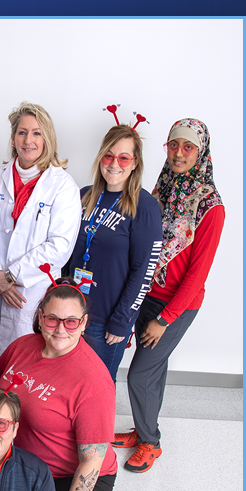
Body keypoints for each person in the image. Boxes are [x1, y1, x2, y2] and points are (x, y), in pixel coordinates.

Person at [117, 119, 226, 474]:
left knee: (139, 375)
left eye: (188, 147)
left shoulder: (211, 206)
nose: (179, 153)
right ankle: (143, 429)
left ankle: (151, 442)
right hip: (149, 292)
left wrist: (165, 320)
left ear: (202, 152)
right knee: (154, 369)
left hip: (178, 304)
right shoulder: (163, 186)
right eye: (173, 145)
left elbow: (198, 273)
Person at [0, 279, 117, 491]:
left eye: (71, 322)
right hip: (20, 462)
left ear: (84, 324)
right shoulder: (22, 346)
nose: (61, 329)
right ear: (40, 317)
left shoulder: (94, 382)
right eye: (52, 319)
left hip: (69, 475)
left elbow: (91, 463)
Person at [0, 102, 82, 361]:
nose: (28, 140)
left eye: (36, 133)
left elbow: (60, 245)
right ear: (13, 138)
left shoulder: (63, 186)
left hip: (32, 291)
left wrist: (12, 275)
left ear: (47, 138)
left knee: (29, 359)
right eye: (22, 132)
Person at [61, 123, 163, 380]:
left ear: (135, 162)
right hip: (71, 312)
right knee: (67, 380)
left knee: (98, 385)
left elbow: (144, 270)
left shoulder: (145, 206)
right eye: (108, 155)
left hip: (106, 319)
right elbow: (64, 252)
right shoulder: (83, 196)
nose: (114, 163)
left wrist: (122, 320)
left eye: (123, 157)